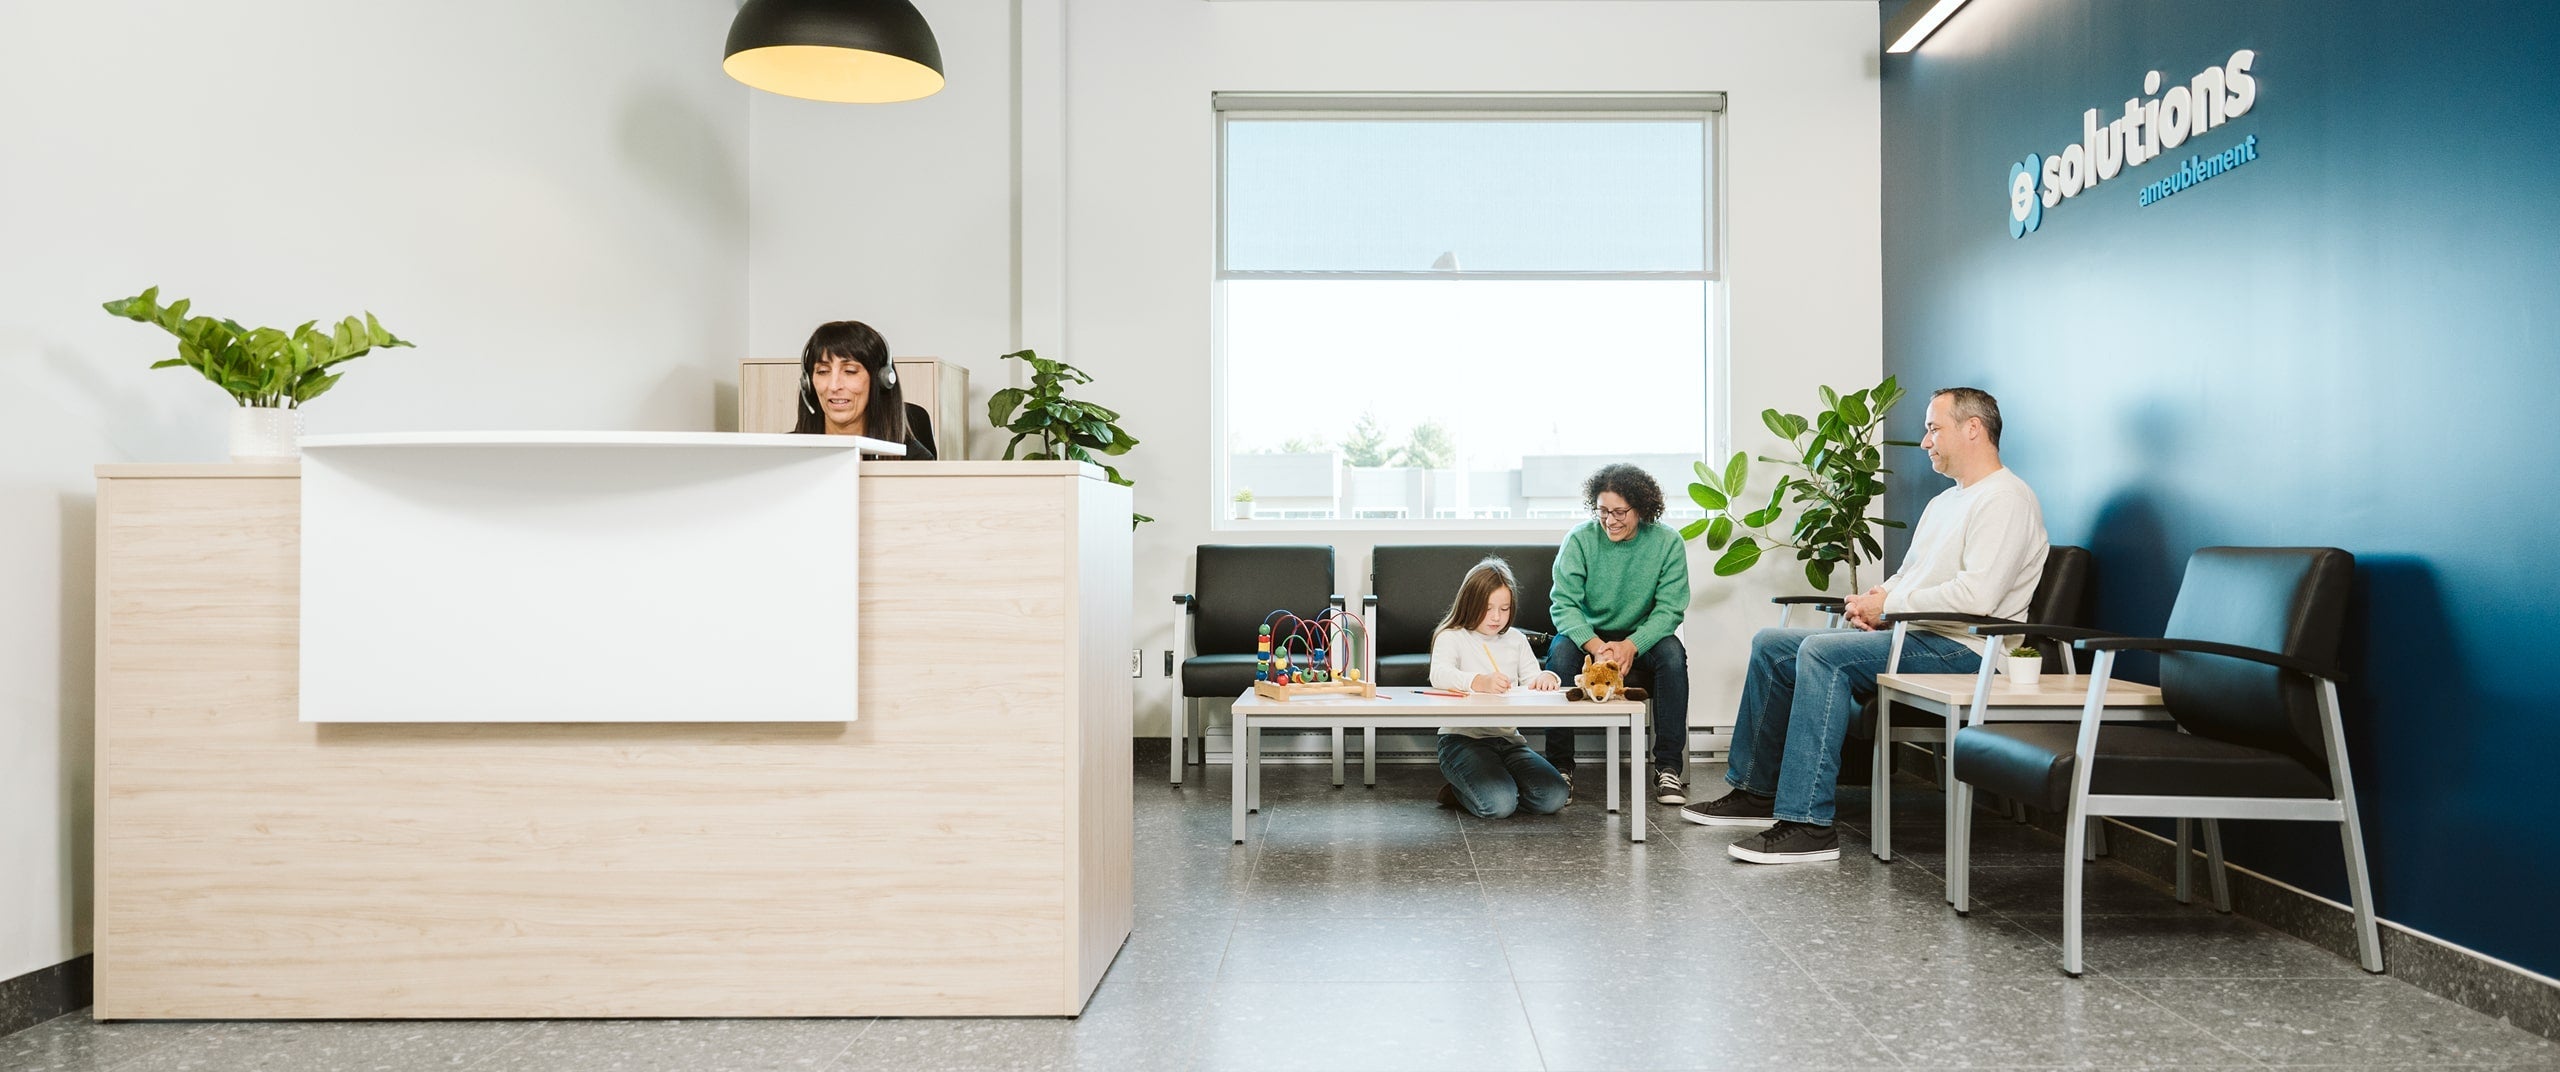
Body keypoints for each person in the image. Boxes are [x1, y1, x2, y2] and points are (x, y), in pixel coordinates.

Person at [1686, 386, 2048, 865]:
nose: (1925, 441)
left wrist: (1892, 605)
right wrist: (1875, 599)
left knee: (1819, 652)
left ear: (1973, 429)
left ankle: (1808, 823)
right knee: (1773, 644)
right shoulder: (1946, 503)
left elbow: (1977, 599)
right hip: (1920, 635)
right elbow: (1911, 575)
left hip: (1969, 651)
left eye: (1933, 428)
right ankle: (1756, 792)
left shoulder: (2005, 499)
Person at [1541, 464, 1693, 806]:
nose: (1610, 520)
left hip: (1643, 635)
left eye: (1619, 512)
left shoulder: (1667, 543)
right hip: (1588, 635)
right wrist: (1596, 647)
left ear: (1641, 508)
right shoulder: (1580, 540)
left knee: (1673, 655)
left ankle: (1667, 767)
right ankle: (1559, 768)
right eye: (1603, 511)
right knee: (1560, 654)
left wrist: (1631, 645)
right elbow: (1563, 605)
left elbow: (1670, 610)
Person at [1427, 558, 1570, 819]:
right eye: (1487, 608)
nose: (1496, 617)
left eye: (1504, 609)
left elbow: (1532, 679)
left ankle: (1488, 787)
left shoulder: (1515, 639)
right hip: (1462, 740)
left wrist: (1548, 677)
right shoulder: (1452, 635)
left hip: (1509, 741)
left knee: (1555, 796)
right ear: (1470, 603)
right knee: (1499, 805)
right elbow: (1439, 675)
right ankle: (1464, 791)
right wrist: (1478, 681)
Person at [790, 320, 937, 460]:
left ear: (880, 381)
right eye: (822, 371)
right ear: (807, 382)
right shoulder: (785, 454)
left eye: (850, 371)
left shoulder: (913, 460)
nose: (834, 386)